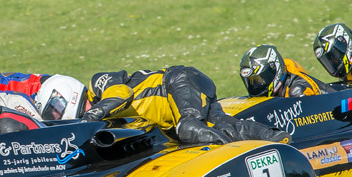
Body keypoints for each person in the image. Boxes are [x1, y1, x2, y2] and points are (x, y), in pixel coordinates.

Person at [80, 66, 291, 145]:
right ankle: (273, 137)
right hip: (179, 103)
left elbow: (121, 94)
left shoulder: (98, 84)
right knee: (222, 125)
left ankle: (232, 158)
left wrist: (89, 118)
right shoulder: (105, 123)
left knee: (189, 128)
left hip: (178, 81)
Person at [239, 44, 332, 97]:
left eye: (259, 80)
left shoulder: (298, 91)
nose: (255, 86)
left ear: (273, 71)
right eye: (251, 82)